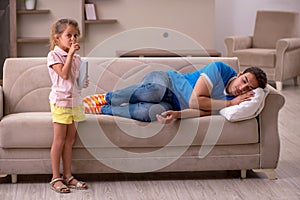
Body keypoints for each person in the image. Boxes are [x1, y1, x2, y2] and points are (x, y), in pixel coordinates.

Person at [84, 61, 267, 124]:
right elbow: (196, 101)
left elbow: (200, 111)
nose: (242, 89)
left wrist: (178, 114)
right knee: (155, 91)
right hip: (167, 82)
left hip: (173, 104)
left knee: (148, 113)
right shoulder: (221, 70)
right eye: (244, 81)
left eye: (249, 89)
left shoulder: (233, 102)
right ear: (240, 74)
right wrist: (229, 103)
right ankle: (107, 97)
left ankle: (104, 109)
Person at [47, 18, 88, 193]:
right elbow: (63, 75)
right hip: (61, 103)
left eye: (75, 35)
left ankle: (68, 176)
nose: (73, 39)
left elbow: (75, 81)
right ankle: (55, 177)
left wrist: (83, 80)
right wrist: (70, 54)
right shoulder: (53, 55)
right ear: (57, 38)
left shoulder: (78, 58)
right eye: (68, 35)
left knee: (70, 141)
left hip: (75, 103)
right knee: (59, 141)